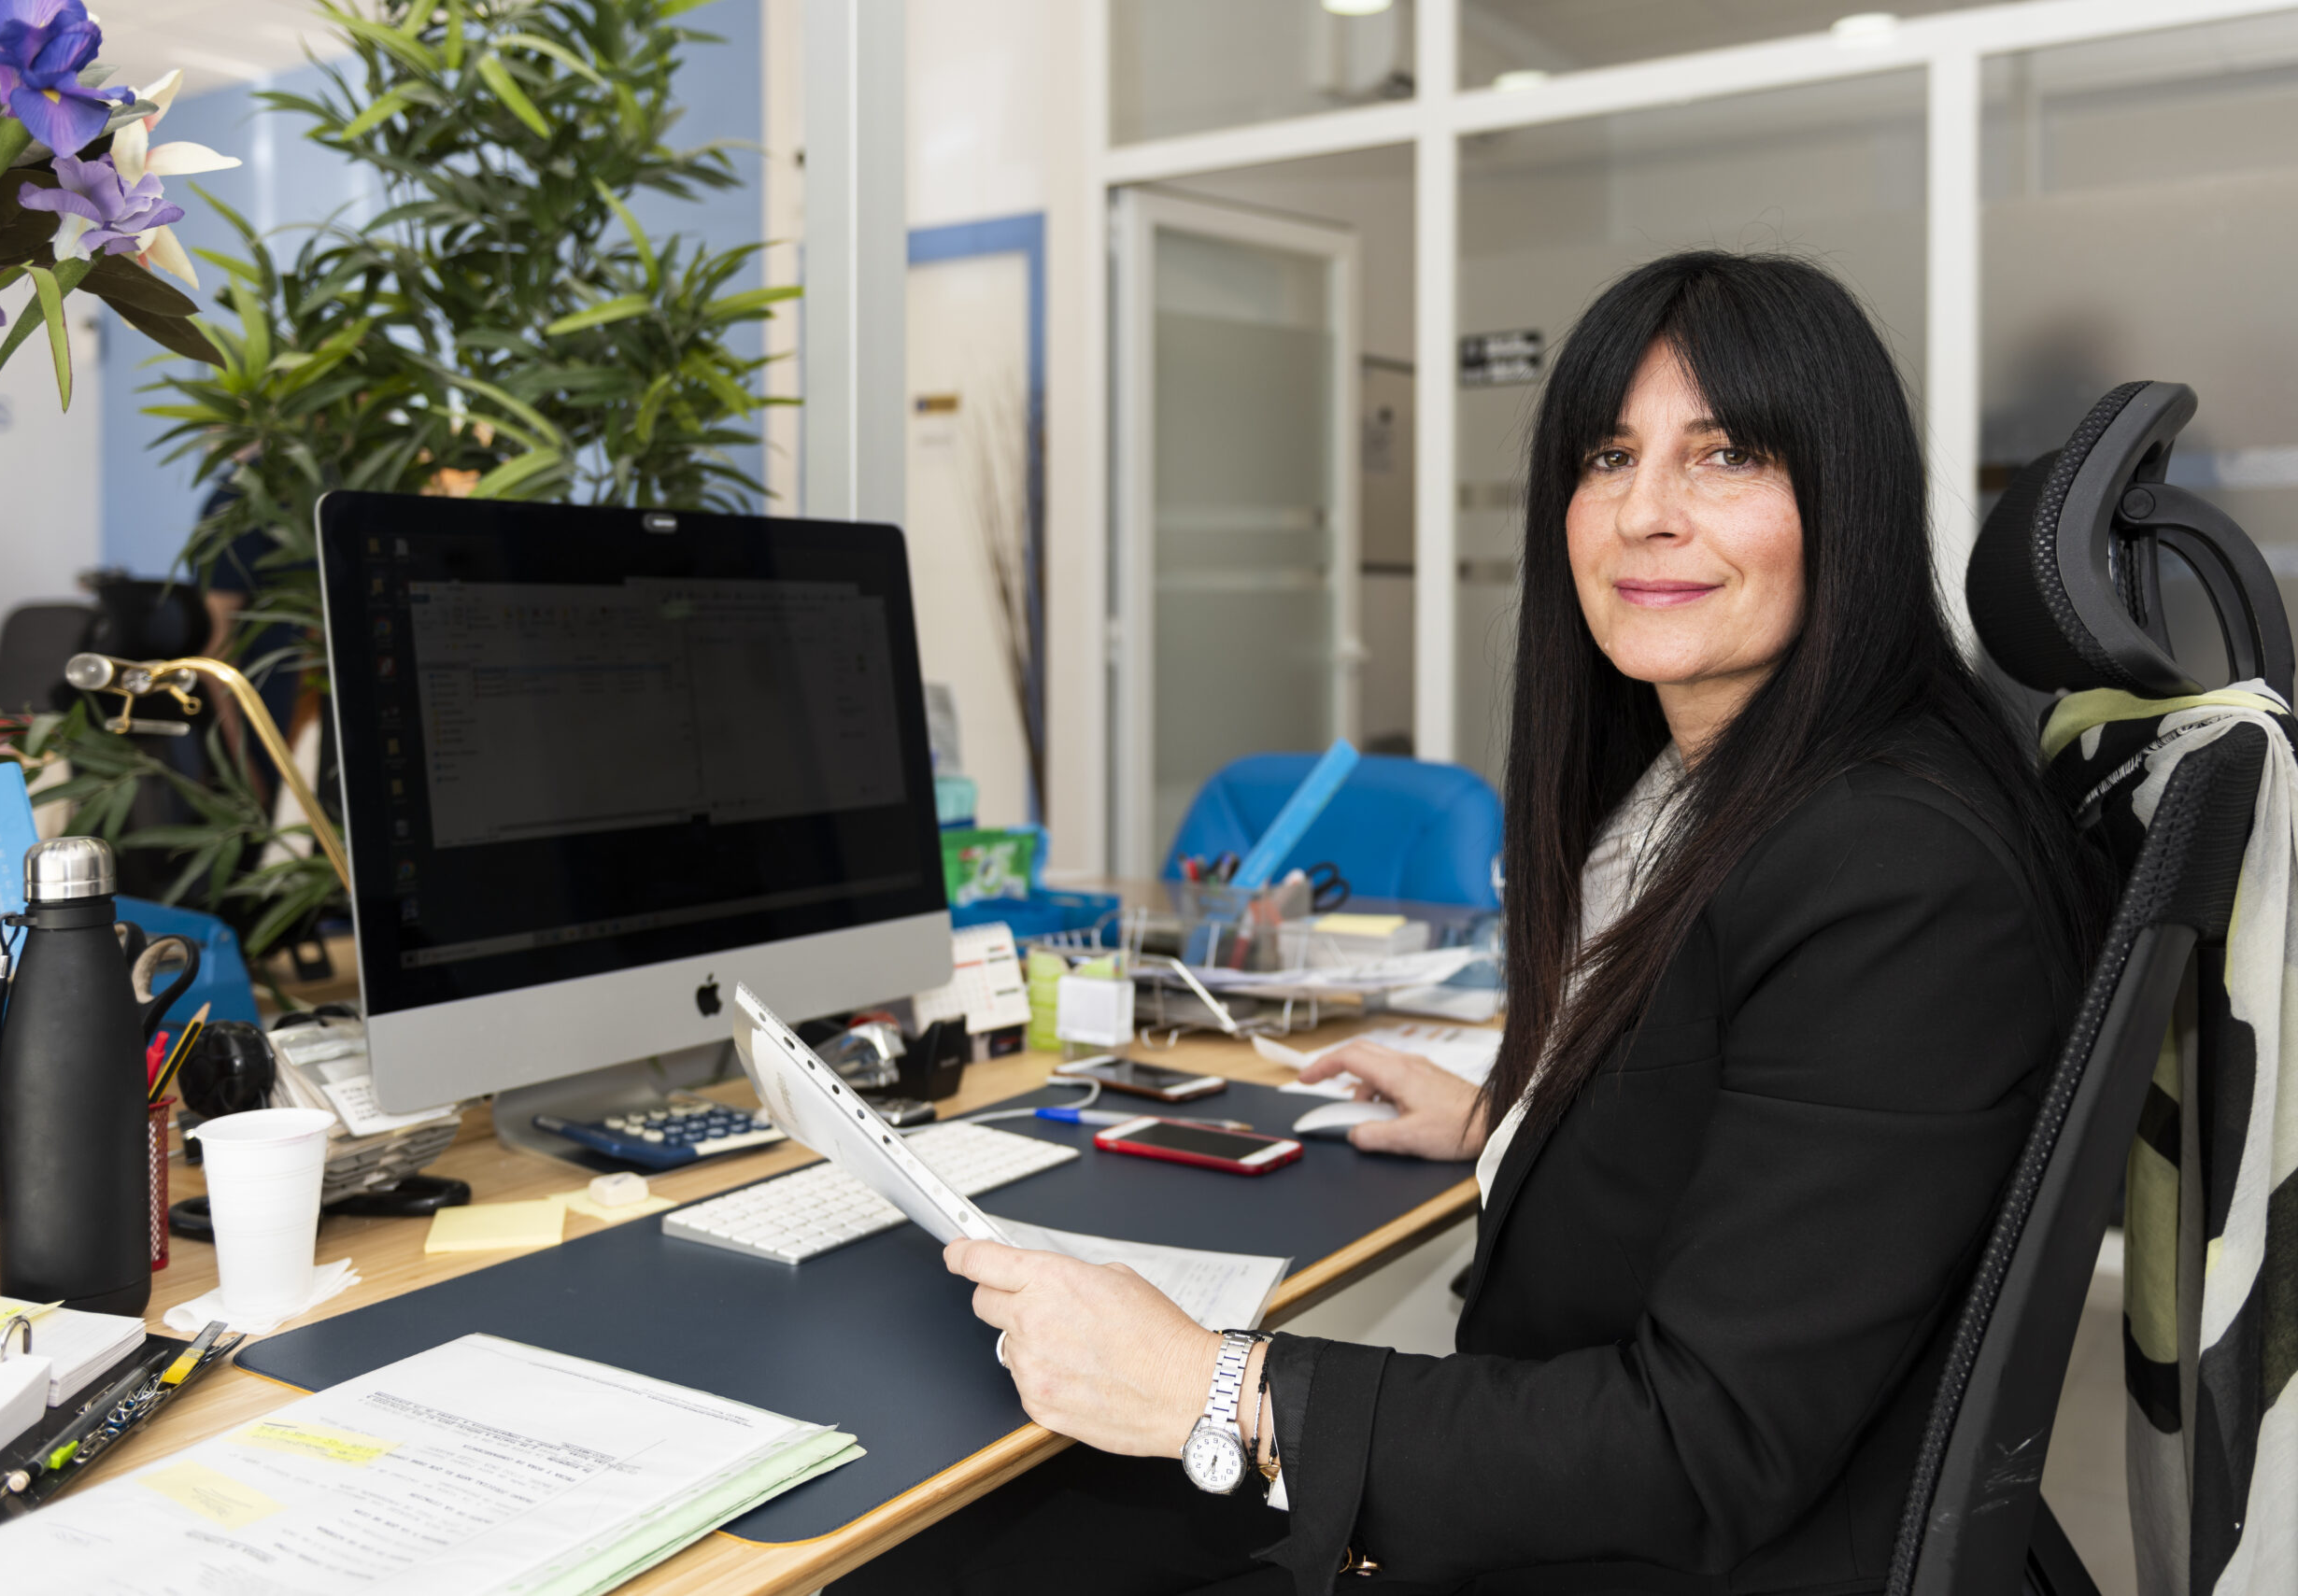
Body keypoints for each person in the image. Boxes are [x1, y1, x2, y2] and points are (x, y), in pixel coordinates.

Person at [832, 250, 2106, 1596]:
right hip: (1616, 1505)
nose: (1646, 513)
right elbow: (1768, 1115)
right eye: (1609, 457)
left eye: (1725, 454)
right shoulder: (1723, 785)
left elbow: (1704, 1445)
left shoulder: (1899, 871)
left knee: (934, 1556)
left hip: (1670, 1547)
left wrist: (1216, 1387)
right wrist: (1520, 1118)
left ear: (1848, 498)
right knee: (958, 1539)